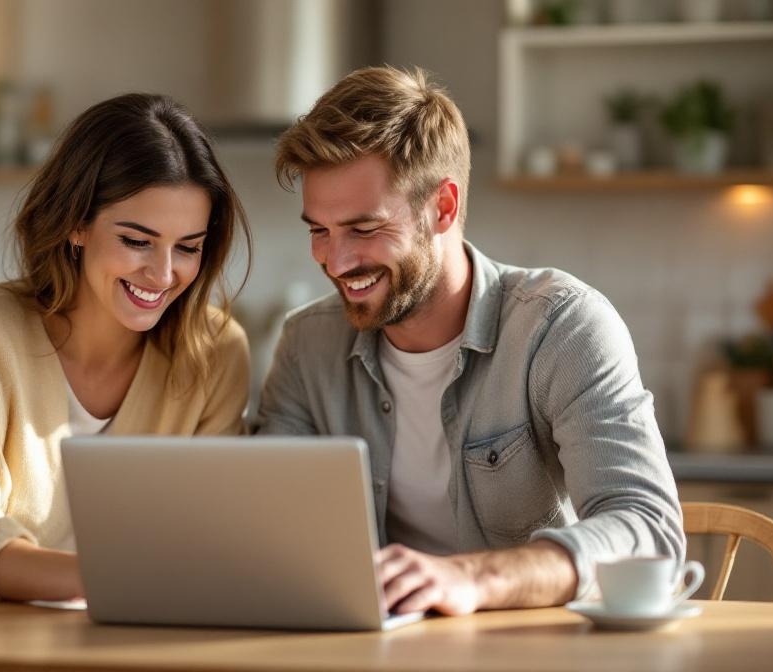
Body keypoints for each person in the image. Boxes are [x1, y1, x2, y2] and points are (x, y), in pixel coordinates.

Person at [255, 66, 683, 616]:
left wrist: (472, 579)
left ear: (444, 208)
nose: (335, 262)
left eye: (364, 229)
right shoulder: (306, 345)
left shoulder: (562, 328)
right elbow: (269, 525)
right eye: (319, 230)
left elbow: (647, 529)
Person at [0, 93, 252, 601]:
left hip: (115, 641)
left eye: (187, 247)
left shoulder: (214, 352)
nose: (163, 274)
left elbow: (209, 538)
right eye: (137, 241)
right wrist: (107, 579)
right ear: (77, 223)